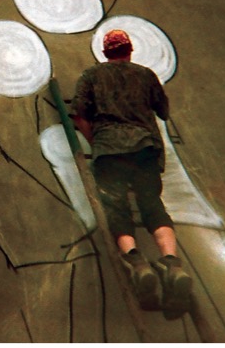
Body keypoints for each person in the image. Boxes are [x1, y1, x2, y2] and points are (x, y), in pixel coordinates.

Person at [70, 28, 190, 320]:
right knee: (152, 205)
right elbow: (163, 111)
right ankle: (172, 263)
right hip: (144, 148)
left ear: (105, 52)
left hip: (109, 150)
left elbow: (79, 116)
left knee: (117, 208)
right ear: (130, 50)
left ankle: (137, 262)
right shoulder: (146, 75)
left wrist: (95, 141)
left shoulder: (90, 76)